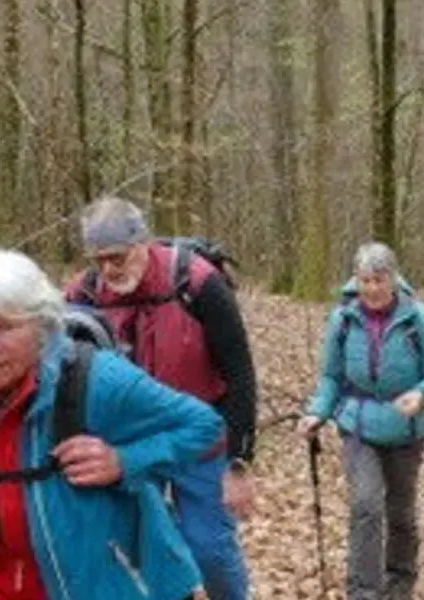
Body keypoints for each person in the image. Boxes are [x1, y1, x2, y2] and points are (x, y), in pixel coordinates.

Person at [0, 248, 220, 600]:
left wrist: (124, 461)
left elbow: (204, 425)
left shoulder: (97, 381)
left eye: (5, 328)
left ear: (41, 326)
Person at [64, 197, 258, 600]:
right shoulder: (81, 297)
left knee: (210, 551)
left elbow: (239, 373)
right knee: (141, 552)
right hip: (129, 441)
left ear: (143, 244)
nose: (107, 271)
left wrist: (238, 462)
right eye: (97, 260)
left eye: (116, 258)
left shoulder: (198, 283)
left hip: (202, 437)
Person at [297, 242, 424, 600]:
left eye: (379, 279)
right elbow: (330, 377)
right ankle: (363, 591)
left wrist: (422, 394)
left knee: (401, 509)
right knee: (366, 504)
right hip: (359, 425)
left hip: (406, 429)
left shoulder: (417, 317)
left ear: (393, 279)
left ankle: (400, 580)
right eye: (365, 279)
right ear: (355, 279)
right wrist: (316, 413)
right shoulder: (343, 317)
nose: (371, 288)